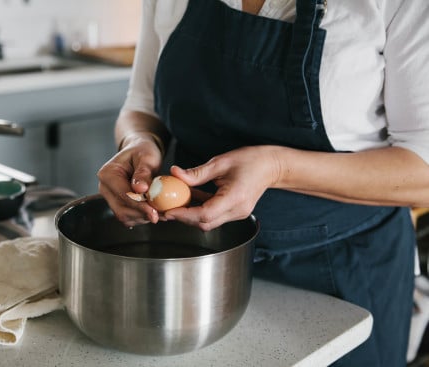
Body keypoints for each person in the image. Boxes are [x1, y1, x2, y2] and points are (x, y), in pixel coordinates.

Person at [96, 0, 429, 365]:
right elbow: (142, 104)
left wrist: (277, 167)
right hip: (193, 269)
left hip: (343, 273)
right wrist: (139, 141)